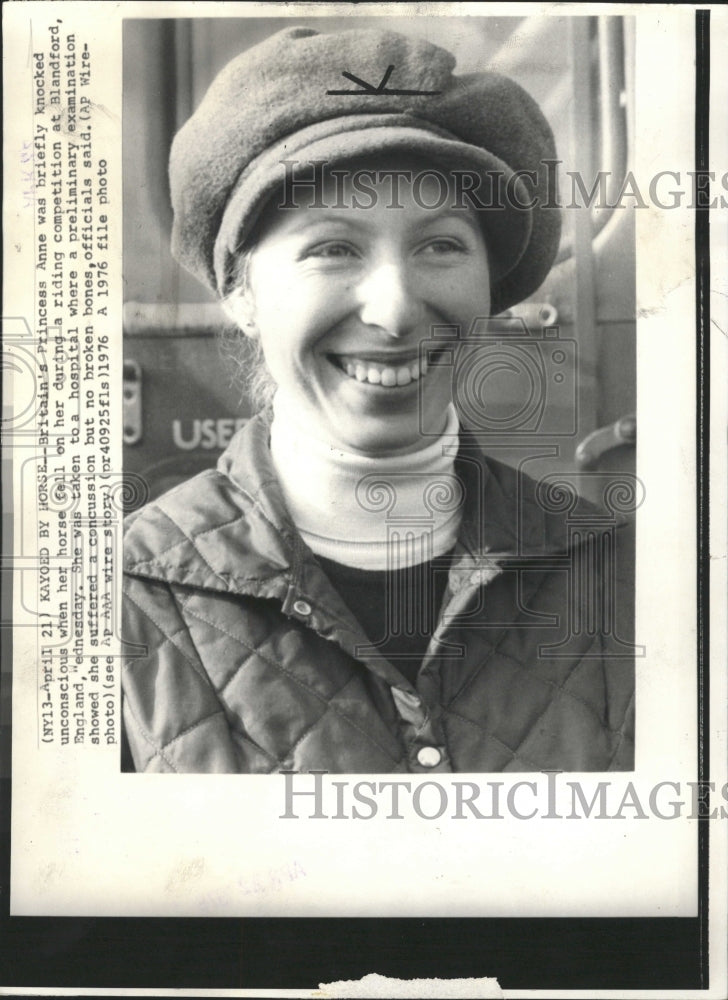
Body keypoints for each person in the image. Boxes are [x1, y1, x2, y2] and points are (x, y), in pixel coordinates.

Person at [121, 26, 634, 774]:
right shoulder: (117, 601)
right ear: (240, 292)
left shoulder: (625, 580)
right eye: (333, 247)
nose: (394, 312)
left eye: (441, 246)